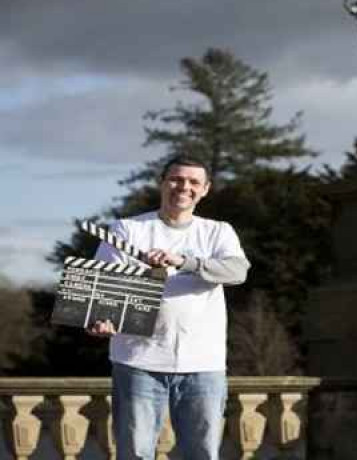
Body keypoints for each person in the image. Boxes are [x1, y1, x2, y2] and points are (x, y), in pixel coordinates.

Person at [87, 156, 249, 460]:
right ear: (162, 183)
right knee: (135, 453)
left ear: (205, 190)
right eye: (176, 179)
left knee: (202, 454)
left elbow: (237, 272)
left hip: (204, 364)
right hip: (137, 361)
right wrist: (100, 320)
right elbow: (102, 294)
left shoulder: (218, 232)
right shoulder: (126, 230)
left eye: (193, 182)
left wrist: (183, 262)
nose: (184, 187)